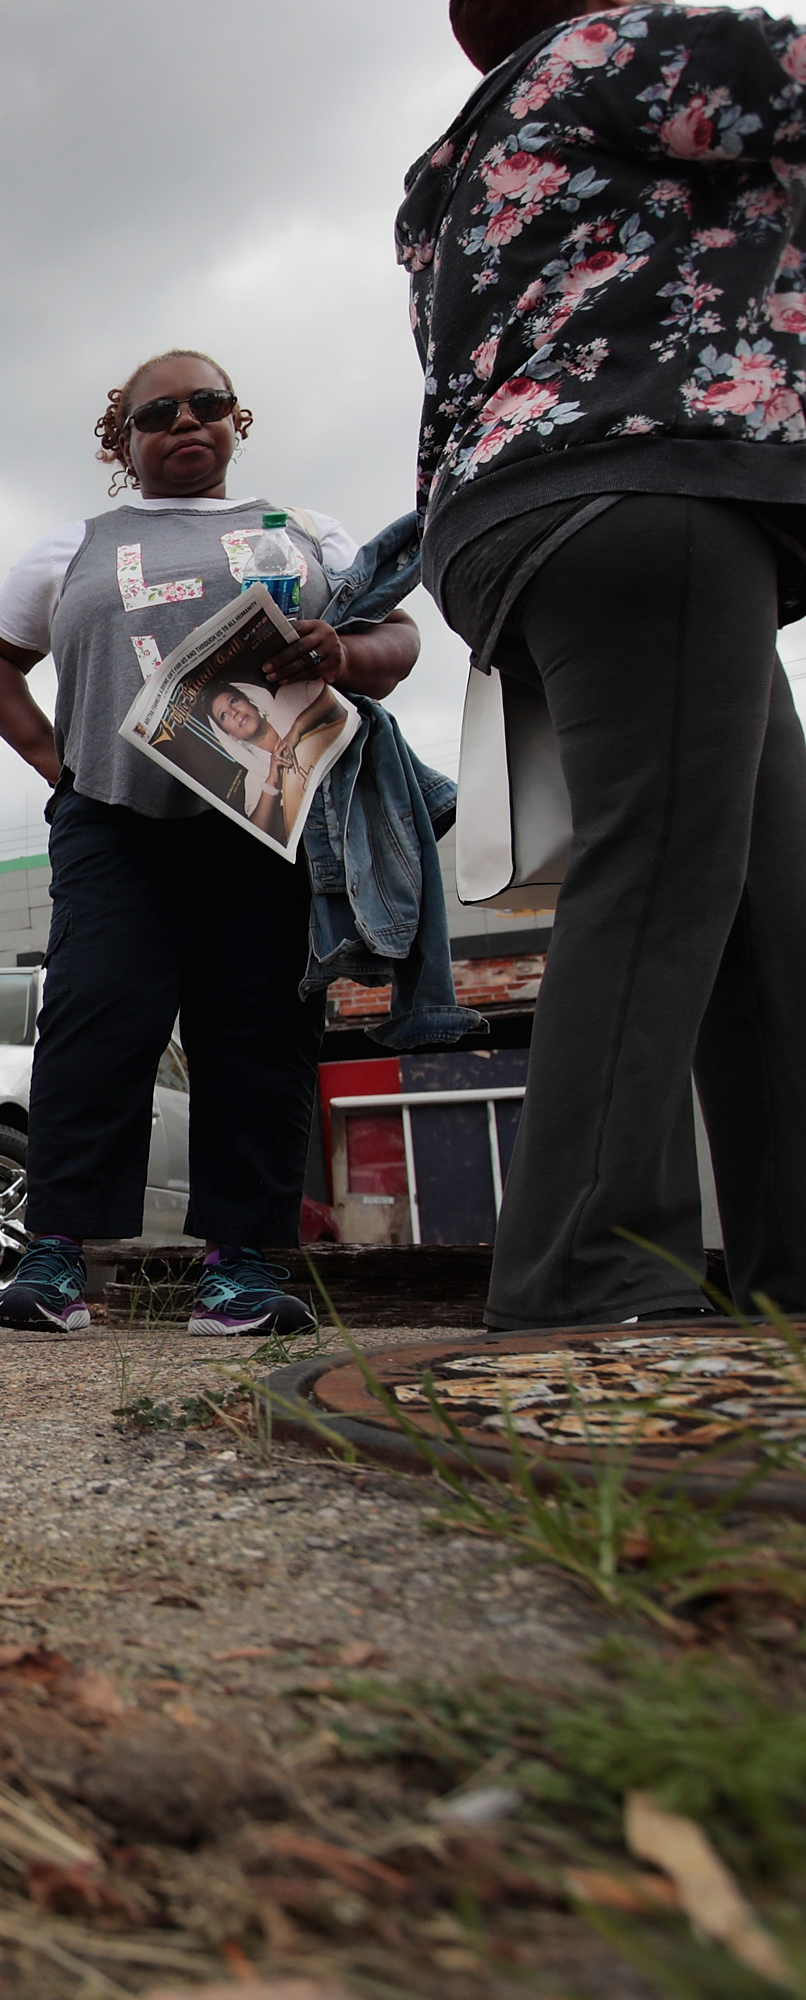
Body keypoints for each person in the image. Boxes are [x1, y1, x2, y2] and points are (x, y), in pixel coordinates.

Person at [405, 0, 806, 1328]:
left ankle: (788, 1264)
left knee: (767, 903)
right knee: (662, 879)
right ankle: (586, 1269)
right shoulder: (626, 52)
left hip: (539, 509)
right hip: (644, 480)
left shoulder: (457, 161)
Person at [0, 350, 420, 1337]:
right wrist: (55, 762)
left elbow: (399, 636)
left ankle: (241, 1266)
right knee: (96, 1022)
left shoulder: (303, 533)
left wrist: (347, 651)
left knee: (258, 1030)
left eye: (206, 404)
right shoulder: (71, 546)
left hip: (270, 822)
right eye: (155, 412)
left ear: (236, 420)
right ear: (122, 441)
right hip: (115, 821)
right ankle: (57, 1259)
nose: (184, 422)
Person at [199, 683, 349, 846]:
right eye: (223, 715)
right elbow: (258, 833)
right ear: (230, 736)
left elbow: (335, 696)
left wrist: (297, 728)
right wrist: (272, 779)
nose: (234, 712)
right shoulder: (255, 780)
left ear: (250, 700)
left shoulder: (286, 698)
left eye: (233, 701)